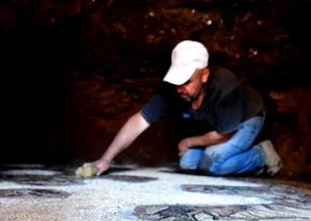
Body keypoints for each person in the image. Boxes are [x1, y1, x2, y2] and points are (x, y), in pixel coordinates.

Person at [84, 40, 282, 177]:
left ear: (204, 75)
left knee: (214, 165)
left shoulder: (226, 86)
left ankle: (262, 154)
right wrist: (106, 158)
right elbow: (139, 121)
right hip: (218, 127)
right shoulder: (174, 90)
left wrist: (189, 141)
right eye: (176, 81)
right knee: (187, 163)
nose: (180, 88)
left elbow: (225, 134)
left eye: (186, 82)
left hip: (246, 119)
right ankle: (235, 159)